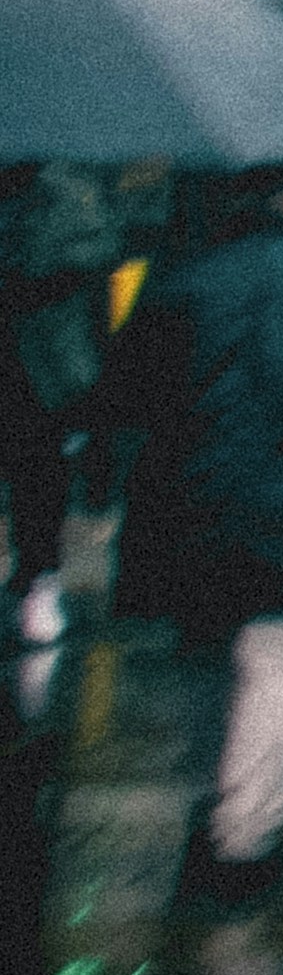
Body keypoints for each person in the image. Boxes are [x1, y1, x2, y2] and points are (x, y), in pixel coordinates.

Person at [100, 164, 283, 902]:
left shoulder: (175, 283)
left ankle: (211, 796)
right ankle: (250, 826)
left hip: (188, 502)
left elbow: (127, 396)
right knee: (277, 657)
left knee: (206, 650)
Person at [2, 161, 122, 647]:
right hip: (29, 358)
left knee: (39, 478)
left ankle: (37, 582)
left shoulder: (67, 195)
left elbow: (100, 255)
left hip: (44, 365)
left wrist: (35, 275)